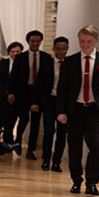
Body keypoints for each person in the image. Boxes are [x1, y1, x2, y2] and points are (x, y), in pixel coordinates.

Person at [57, 25, 99, 196]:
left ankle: (92, 183)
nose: (85, 44)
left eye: (89, 41)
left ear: (96, 41)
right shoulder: (70, 61)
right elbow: (62, 89)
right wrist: (61, 111)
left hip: (95, 110)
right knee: (74, 147)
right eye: (82, 41)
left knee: (95, 147)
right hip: (74, 110)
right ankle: (76, 181)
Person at [8, 30, 54, 160]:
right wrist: (11, 92)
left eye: (37, 41)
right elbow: (13, 77)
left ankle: (31, 150)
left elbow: (48, 79)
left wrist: (44, 96)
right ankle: (18, 141)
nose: (35, 43)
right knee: (23, 119)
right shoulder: (20, 57)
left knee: (35, 123)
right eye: (32, 41)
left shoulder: (46, 58)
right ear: (28, 42)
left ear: (40, 42)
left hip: (38, 94)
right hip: (23, 92)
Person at [41, 37, 69, 172]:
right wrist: (37, 102)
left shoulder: (71, 64)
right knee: (48, 132)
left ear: (67, 49)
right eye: (58, 48)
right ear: (53, 48)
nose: (61, 51)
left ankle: (56, 162)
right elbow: (38, 83)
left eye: (64, 49)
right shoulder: (47, 63)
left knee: (62, 135)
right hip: (50, 102)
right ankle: (46, 160)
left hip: (65, 104)